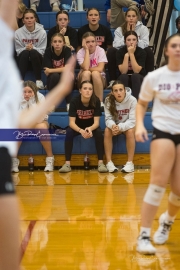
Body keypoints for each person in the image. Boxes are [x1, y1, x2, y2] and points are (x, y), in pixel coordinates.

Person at [135, 33, 180, 255]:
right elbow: (142, 104)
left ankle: (167, 221)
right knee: (158, 183)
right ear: (166, 50)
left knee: (179, 189)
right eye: (174, 45)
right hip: (163, 131)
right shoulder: (155, 77)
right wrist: (140, 125)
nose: (178, 49)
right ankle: (143, 235)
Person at [59, 80, 108, 173]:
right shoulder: (74, 101)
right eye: (85, 88)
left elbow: (97, 123)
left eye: (90, 89)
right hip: (77, 127)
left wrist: (90, 129)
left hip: (91, 126)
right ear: (80, 90)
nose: (88, 91)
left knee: (98, 133)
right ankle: (67, 164)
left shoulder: (96, 100)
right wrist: (81, 131)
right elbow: (71, 123)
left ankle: (101, 163)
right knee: (69, 132)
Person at [12, 81, 55, 173]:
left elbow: (40, 118)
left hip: (38, 122)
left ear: (34, 91)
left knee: (42, 127)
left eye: (30, 91)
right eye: (24, 92)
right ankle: (13, 160)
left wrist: (32, 104)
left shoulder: (40, 97)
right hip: (23, 123)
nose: (27, 94)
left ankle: (50, 158)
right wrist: (24, 104)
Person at [107, 7, 154, 87]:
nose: (131, 18)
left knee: (148, 51)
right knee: (111, 51)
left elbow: (145, 44)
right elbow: (115, 44)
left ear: (137, 17)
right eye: (129, 16)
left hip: (139, 52)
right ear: (125, 17)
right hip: (123, 52)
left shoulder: (143, 28)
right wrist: (128, 33)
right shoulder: (119, 29)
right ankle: (113, 80)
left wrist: (133, 39)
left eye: (133, 16)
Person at [104, 80, 136, 173]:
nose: (119, 92)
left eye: (121, 90)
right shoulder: (108, 100)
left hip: (127, 125)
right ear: (112, 92)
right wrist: (113, 126)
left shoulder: (132, 100)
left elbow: (132, 121)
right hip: (115, 126)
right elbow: (108, 118)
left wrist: (120, 127)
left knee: (130, 131)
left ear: (125, 90)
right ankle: (109, 162)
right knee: (107, 131)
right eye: (116, 90)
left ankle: (130, 163)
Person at [15, 9, 47, 89]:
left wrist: (33, 48)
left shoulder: (42, 32)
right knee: (25, 52)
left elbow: (42, 51)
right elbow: (18, 51)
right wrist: (25, 48)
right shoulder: (18, 32)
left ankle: (39, 81)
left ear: (35, 19)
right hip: (23, 60)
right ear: (23, 20)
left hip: (37, 60)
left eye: (31, 18)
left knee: (33, 52)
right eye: (27, 18)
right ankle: (20, 81)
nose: (29, 20)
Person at [77, 32, 108, 109]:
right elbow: (86, 67)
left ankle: (99, 103)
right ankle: (84, 102)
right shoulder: (80, 52)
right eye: (87, 42)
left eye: (93, 41)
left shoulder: (100, 50)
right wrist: (86, 51)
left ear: (96, 42)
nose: (91, 44)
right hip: (84, 78)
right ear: (83, 43)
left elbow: (100, 68)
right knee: (86, 73)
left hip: (99, 79)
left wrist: (86, 69)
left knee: (95, 73)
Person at [43, 33, 73, 111]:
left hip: (64, 78)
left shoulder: (66, 50)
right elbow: (47, 71)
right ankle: (52, 103)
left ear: (64, 43)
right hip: (52, 80)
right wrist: (52, 71)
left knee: (67, 76)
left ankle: (69, 103)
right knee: (55, 76)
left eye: (60, 41)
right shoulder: (48, 51)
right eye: (55, 41)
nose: (57, 44)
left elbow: (67, 69)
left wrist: (51, 70)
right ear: (52, 43)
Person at [116, 31, 146, 99]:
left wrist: (131, 54)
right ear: (125, 41)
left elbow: (137, 71)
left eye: (134, 40)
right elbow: (123, 71)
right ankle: (124, 102)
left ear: (137, 41)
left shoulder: (142, 52)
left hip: (138, 79)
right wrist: (127, 55)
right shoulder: (120, 52)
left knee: (135, 76)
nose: (131, 42)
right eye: (128, 40)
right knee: (123, 76)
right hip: (125, 79)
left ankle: (137, 103)